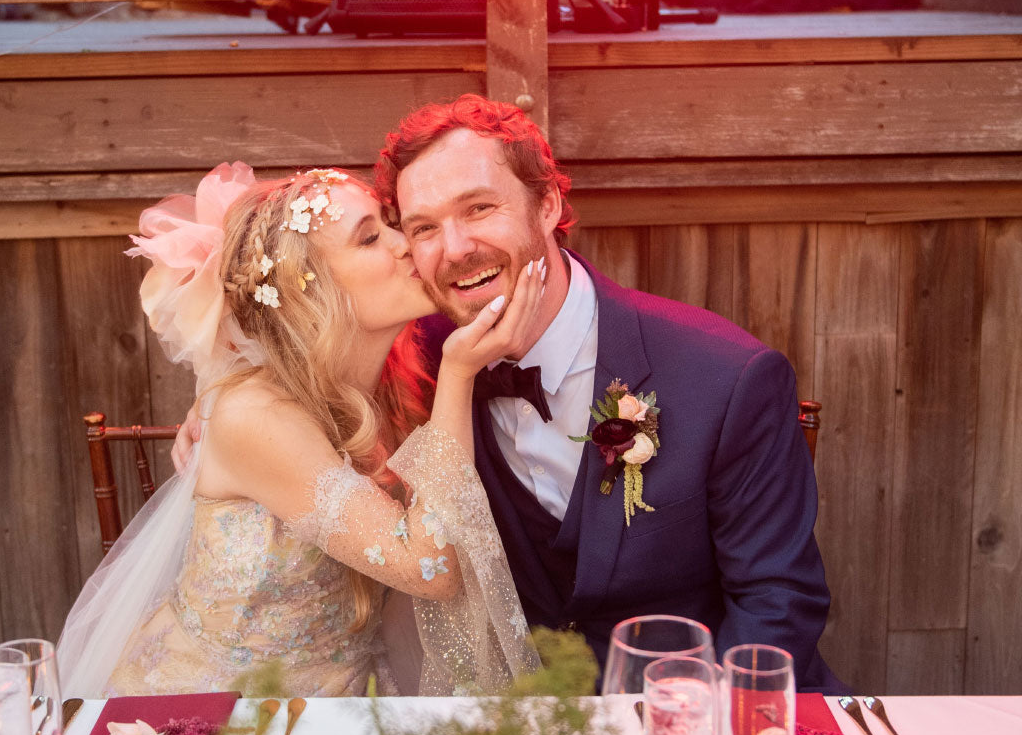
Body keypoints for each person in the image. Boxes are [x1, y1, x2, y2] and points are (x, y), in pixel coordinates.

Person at [371, 96, 840, 693]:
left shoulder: (727, 377)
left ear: (547, 205)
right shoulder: (422, 362)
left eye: (479, 208)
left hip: (693, 723)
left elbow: (778, 601)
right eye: (425, 228)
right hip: (531, 727)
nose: (457, 247)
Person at [57, 162, 541, 698]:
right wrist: (459, 374)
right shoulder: (255, 417)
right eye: (369, 238)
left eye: (390, 223)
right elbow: (432, 570)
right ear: (309, 294)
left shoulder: (397, 379)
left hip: (336, 709)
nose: (406, 244)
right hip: (213, 722)